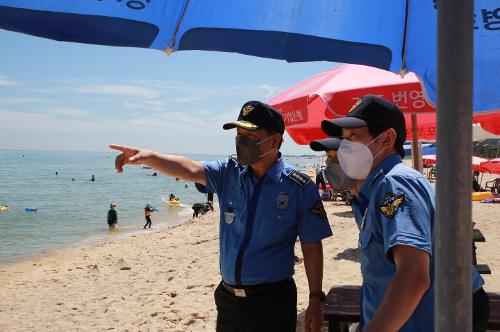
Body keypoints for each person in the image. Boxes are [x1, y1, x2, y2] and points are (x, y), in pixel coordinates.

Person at [109, 100, 332, 332]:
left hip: (272, 302)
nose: (242, 141)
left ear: (275, 140)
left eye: (250, 135)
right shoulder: (228, 173)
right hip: (228, 300)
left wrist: (315, 299)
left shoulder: (298, 187)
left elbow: (311, 246)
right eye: (239, 134)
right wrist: (149, 156)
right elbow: (190, 169)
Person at [320, 95, 489, 332]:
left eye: (354, 137)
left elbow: (413, 276)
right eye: (344, 139)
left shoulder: (396, 184)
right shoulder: (377, 186)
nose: (344, 147)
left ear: (387, 138)